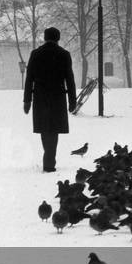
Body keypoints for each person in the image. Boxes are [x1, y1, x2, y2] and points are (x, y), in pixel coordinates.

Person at [23, 27, 77, 172]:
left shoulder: (36, 54)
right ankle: (49, 160)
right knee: (54, 129)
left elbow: (29, 79)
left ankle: (48, 158)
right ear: (58, 38)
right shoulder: (64, 55)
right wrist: (72, 101)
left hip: (40, 97)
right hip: (58, 97)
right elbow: (69, 79)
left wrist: (27, 100)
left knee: (44, 128)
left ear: (45, 37)